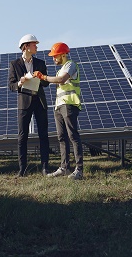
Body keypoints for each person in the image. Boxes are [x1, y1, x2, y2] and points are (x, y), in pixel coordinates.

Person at [34, 42, 84, 180]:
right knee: (62, 137)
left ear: (63, 55)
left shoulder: (70, 65)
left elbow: (61, 80)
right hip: (59, 106)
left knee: (73, 136)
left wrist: (43, 77)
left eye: (55, 56)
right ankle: (64, 168)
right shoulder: (61, 68)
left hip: (69, 104)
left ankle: (79, 169)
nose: (54, 59)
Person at [8, 34, 50, 177]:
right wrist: (20, 82)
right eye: (34, 44)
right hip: (24, 103)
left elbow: (46, 83)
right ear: (26, 46)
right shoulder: (15, 64)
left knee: (43, 135)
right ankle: (23, 169)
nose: (36, 47)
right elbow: (11, 85)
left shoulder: (41, 63)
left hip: (39, 101)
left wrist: (41, 77)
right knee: (22, 136)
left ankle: (45, 167)